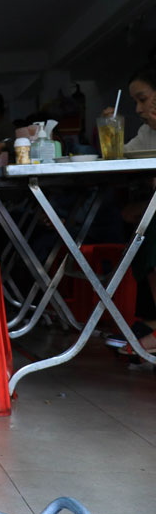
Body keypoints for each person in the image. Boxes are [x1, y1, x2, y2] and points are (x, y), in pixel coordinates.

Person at [102, 65, 156, 357]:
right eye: (134, 101)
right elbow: (120, 158)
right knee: (132, 218)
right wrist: (112, 127)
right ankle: (150, 317)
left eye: (143, 99)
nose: (138, 108)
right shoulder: (148, 132)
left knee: (151, 226)